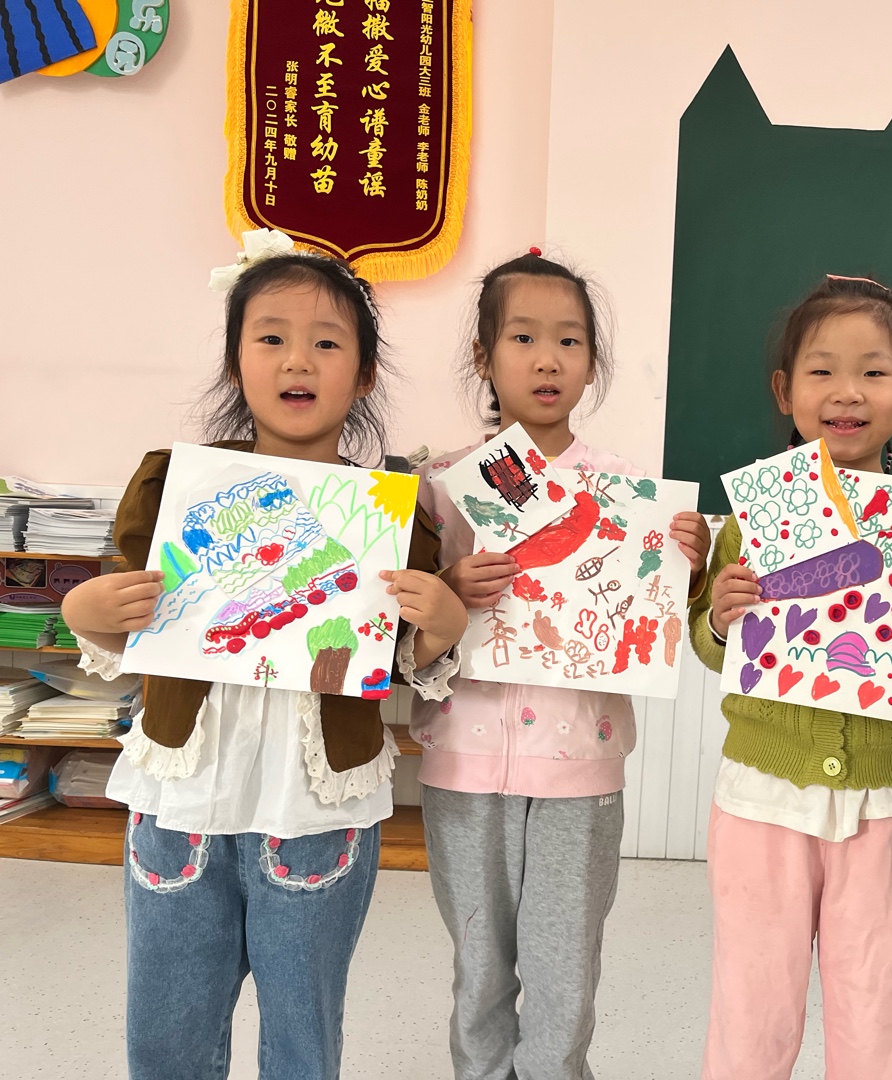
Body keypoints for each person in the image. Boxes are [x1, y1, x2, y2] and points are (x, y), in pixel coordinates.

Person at [60, 230, 468, 1080]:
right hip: (184, 798)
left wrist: (440, 625)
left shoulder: (391, 512)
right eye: (271, 337)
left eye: (328, 343)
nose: (298, 360)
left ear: (363, 375)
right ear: (235, 360)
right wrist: (83, 611)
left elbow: (407, 657)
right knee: (168, 1035)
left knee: (302, 1039)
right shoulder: (172, 486)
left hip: (316, 809)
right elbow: (129, 621)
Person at [412, 248, 710, 1080]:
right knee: (478, 967)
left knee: (565, 971)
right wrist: (448, 589)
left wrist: (683, 559)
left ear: (592, 361)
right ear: (485, 356)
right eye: (523, 338)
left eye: (570, 341)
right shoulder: (440, 487)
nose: (548, 359)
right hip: (463, 764)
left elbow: (656, 614)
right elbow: (402, 631)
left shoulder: (628, 490)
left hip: (581, 770)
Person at [689, 274, 892, 1080]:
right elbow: (711, 647)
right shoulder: (753, 519)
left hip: (890, 800)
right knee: (752, 1006)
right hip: (762, 798)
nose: (847, 392)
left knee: (883, 1008)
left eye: (873, 372)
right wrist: (720, 616)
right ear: (785, 391)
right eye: (822, 371)